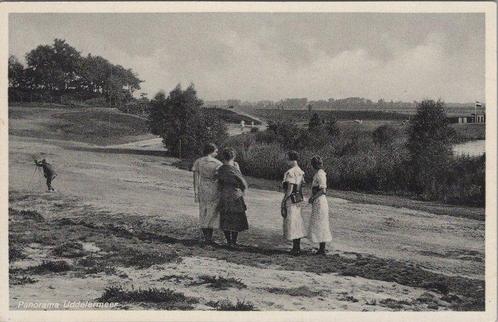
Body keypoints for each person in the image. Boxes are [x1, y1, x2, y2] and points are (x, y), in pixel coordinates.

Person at [216, 148, 249, 248]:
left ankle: (228, 241)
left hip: (224, 194)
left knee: (225, 218)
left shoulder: (221, 169)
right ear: (233, 157)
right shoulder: (235, 169)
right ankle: (233, 242)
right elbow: (243, 183)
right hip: (235, 195)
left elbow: (219, 183)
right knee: (236, 219)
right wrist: (243, 192)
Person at [192, 143, 223, 245]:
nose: (217, 153)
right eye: (216, 151)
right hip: (214, 189)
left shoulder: (198, 162)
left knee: (203, 212)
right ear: (211, 151)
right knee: (212, 213)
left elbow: (195, 180)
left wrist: (196, 193)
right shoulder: (218, 163)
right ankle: (209, 238)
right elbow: (220, 179)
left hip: (203, 188)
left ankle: (207, 238)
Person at [281, 150, 306, 256]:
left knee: (292, 222)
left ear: (291, 159)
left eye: (287, 158)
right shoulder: (300, 171)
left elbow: (290, 189)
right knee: (297, 222)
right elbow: (302, 184)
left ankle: (296, 248)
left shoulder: (291, 172)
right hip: (298, 198)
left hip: (291, 199)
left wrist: (283, 201)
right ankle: (297, 247)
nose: (286, 161)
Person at [307, 155, 332, 255]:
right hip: (318, 201)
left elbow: (323, 190)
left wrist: (313, 198)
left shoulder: (321, 174)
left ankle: (322, 248)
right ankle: (321, 248)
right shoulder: (318, 174)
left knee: (321, 223)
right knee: (319, 223)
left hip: (320, 201)